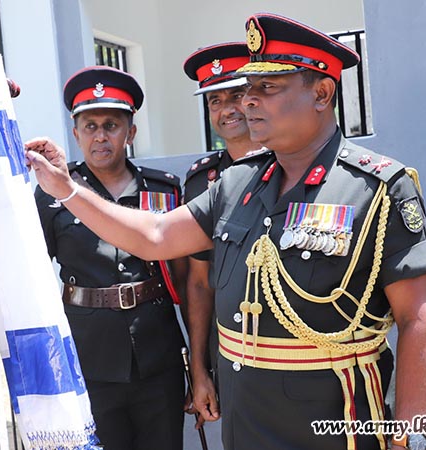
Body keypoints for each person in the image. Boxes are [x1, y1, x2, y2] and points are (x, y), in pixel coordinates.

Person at [26, 13, 426, 450]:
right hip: (247, 425)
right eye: (249, 91)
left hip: (335, 427)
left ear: (322, 93)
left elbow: (421, 318)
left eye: (268, 88)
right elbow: (155, 235)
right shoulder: (238, 182)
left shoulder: (376, 188)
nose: (248, 103)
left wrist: (409, 440)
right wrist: (67, 189)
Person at [33, 66, 185, 450]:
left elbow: (189, 277)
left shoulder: (165, 191)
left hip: (157, 354)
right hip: (89, 357)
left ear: (130, 132)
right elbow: (34, 274)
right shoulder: (55, 191)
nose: (101, 136)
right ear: (76, 133)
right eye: (90, 126)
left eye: (112, 125)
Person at [181, 42, 262, 427]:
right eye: (215, 100)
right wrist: (199, 370)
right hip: (231, 354)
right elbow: (199, 283)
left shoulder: (297, 165)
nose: (227, 108)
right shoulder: (202, 182)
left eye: (237, 94)